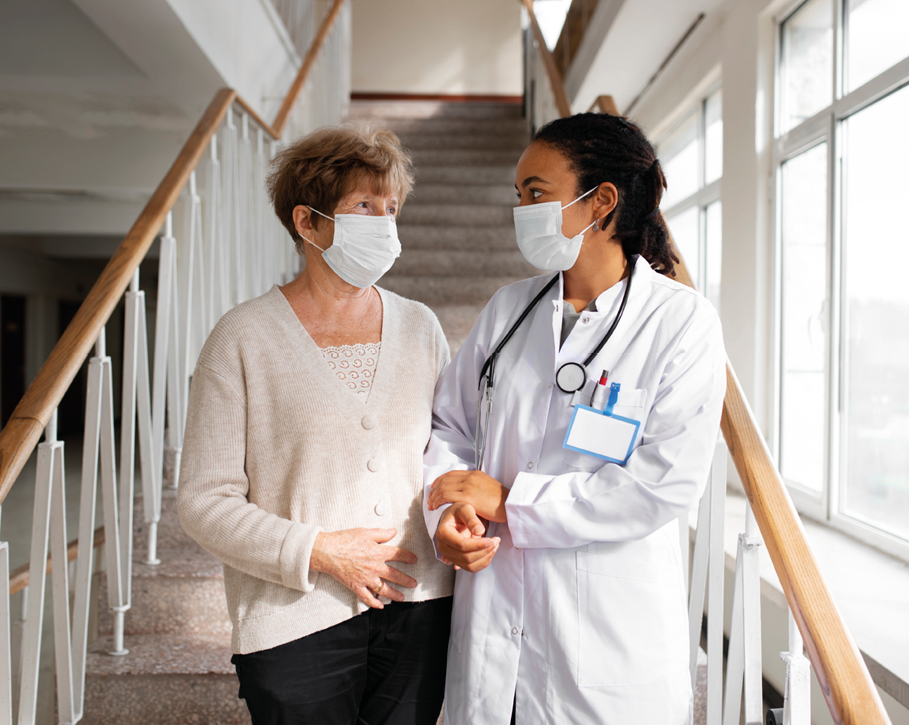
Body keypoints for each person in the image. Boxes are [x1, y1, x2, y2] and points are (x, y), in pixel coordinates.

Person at [423, 112, 726, 724]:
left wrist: (511, 502)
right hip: (493, 626)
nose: (521, 210)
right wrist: (446, 512)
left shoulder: (679, 323)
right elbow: (450, 426)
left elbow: (662, 483)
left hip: (605, 643)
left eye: (537, 193)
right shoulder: (508, 309)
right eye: (518, 195)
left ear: (601, 202)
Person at [178, 123, 453, 725]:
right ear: (308, 223)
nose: (385, 224)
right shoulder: (242, 337)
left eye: (391, 208)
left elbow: (449, 450)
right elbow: (203, 501)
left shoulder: (420, 327)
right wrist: (320, 550)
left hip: (421, 606)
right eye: (365, 207)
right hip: (294, 619)